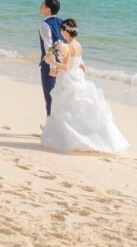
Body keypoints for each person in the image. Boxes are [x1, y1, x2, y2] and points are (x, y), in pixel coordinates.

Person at [41, 19, 129, 154]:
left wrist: (51, 61)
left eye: (62, 31)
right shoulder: (79, 45)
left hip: (68, 79)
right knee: (76, 109)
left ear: (66, 31)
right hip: (76, 77)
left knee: (66, 109)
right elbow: (75, 64)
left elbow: (66, 67)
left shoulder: (68, 46)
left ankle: (68, 139)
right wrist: (59, 69)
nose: (61, 33)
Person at [38, 0, 63, 116]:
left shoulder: (45, 25)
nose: (41, 6)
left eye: (43, 4)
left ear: (48, 10)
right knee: (61, 98)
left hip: (50, 66)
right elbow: (69, 44)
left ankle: (50, 124)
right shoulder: (62, 22)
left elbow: (49, 47)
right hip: (63, 66)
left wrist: (53, 68)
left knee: (50, 98)